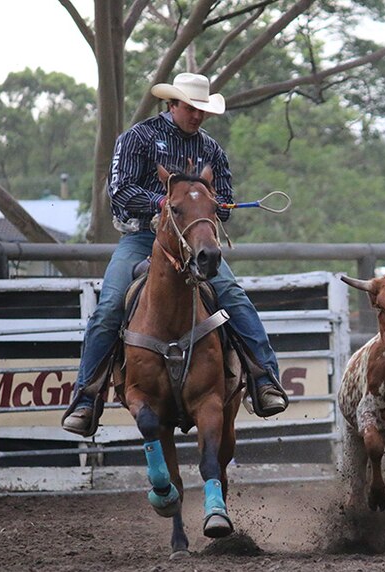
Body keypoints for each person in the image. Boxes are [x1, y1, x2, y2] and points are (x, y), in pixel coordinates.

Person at [62, 73, 287, 436]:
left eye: (202, 110)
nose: (197, 116)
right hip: (141, 239)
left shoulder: (211, 149)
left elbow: (224, 204)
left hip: (195, 242)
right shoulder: (138, 138)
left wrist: (210, 204)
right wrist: (164, 203)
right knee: (110, 307)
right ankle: (87, 397)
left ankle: (264, 378)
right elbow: (120, 193)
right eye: (190, 107)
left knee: (233, 296)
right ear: (173, 104)